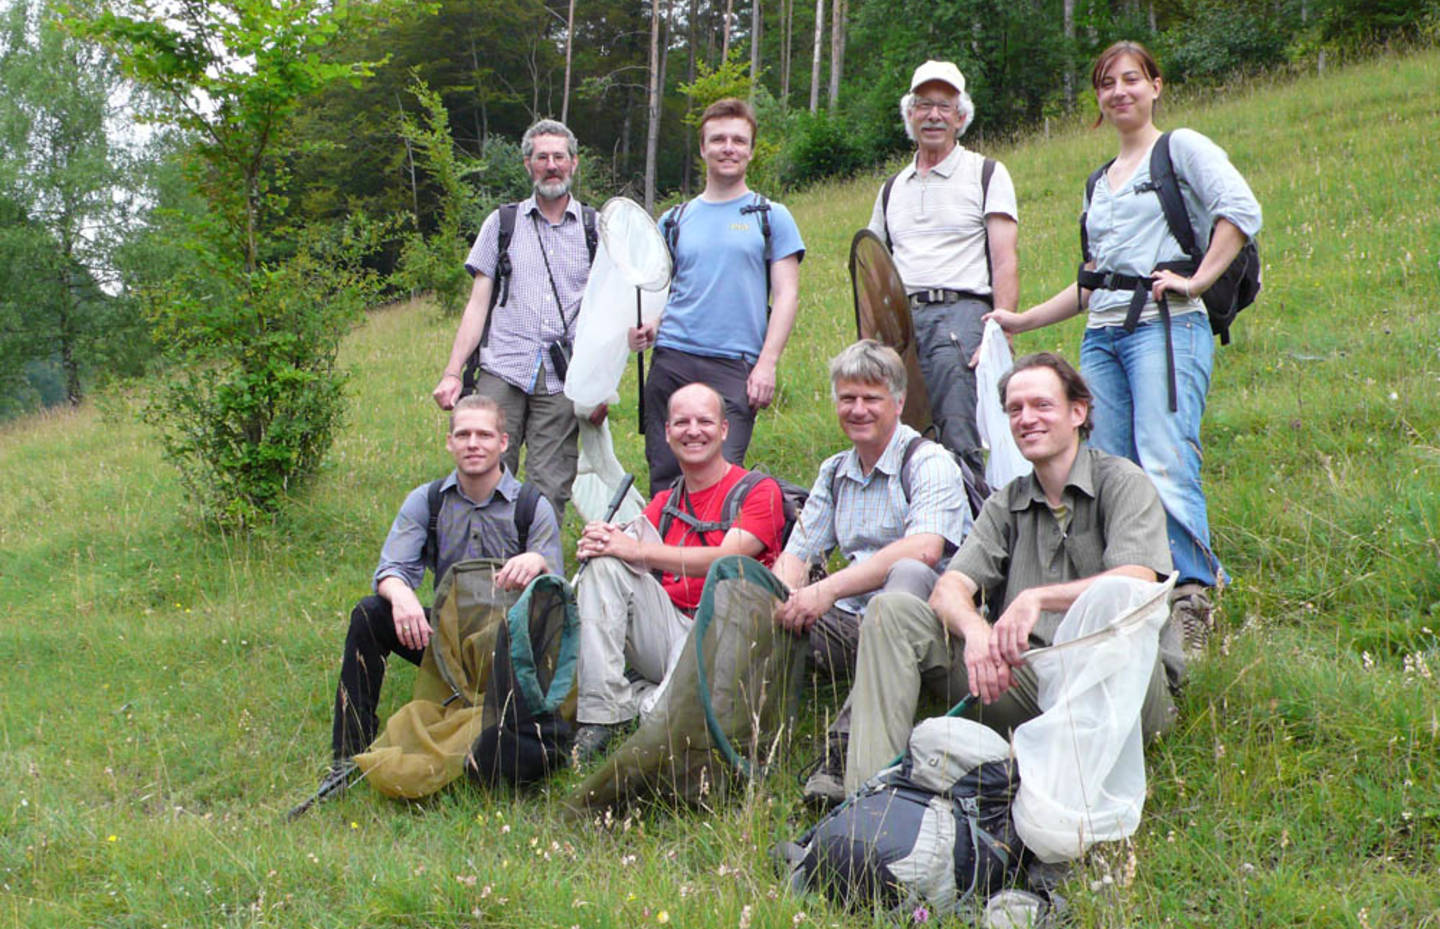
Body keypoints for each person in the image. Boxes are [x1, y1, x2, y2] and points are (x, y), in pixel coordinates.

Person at [986, 41, 1261, 650]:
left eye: (1131, 79)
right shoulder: (1098, 182)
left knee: (1164, 453)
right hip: (1103, 333)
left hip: (1167, 326)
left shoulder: (1180, 147)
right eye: (1107, 84)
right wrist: (1023, 320)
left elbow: (1241, 212)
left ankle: (1191, 592)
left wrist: (1195, 281)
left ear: (1156, 86)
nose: (1119, 92)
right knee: (1109, 461)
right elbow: (1093, 283)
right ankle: (1136, 586)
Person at [841, 353, 1180, 792]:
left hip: (1119, 682)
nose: (1026, 419)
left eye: (1042, 405)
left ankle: (1056, 788)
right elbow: (948, 588)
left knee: (1113, 624)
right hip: (1029, 679)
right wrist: (976, 632)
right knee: (893, 612)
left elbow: (1137, 581)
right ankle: (869, 804)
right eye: (1014, 409)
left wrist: (1036, 598)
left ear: (1078, 413)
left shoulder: (1122, 481)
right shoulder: (1007, 502)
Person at [319, 395, 563, 795]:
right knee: (369, 613)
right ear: (449, 442)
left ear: (504, 442)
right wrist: (401, 596)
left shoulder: (533, 506)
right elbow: (391, 569)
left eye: (483, 435)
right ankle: (347, 755)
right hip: (445, 642)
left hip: (511, 647)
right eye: (463, 434)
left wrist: (537, 561)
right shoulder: (427, 501)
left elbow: (557, 595)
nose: (473, 443)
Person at [770, 340, 970, 805]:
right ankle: (726, 747)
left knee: (905, 575)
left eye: (871, 398)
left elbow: (925, 550)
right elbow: (798, 554)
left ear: (898, 403)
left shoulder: (929, 461)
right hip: (851, 620)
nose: (858, 409)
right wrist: (780, 596)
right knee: (755, 599)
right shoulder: (834, 471)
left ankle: (841, 754)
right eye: (847, 398)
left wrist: (827, 590)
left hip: (925, 629)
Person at [570, 382, 787, 762]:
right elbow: (625, 544)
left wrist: (635, 549)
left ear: (723, 430)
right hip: (671, 627)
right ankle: (604, 715)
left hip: (728, 640)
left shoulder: (757, 490)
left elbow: (728, 559)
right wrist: (602, 541)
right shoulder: (665, 501)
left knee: (662, 722)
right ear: (667, 433)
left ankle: (643, 701)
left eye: (704, 421)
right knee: (604, 565)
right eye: (681, 422)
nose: (692, 431)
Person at [432, 118, 604, 521]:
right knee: (484, 471)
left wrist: (601, 387)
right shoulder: (501, 223)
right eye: (541, 157)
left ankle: (537, 573)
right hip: (502, 367)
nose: (551, 165)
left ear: (574, 163)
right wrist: (453, 372)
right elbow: (477, 304)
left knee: (550, 484)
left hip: (566, 377)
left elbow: (611, 313)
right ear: (527, 165)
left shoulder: (596, 229)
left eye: (559, 157)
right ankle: (481, 567)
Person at [629, 98, 805, 490]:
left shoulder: (770, 216)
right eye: (719, 139)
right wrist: (648, 327)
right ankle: (666, 549)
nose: (729, 148)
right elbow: (659, 293)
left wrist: (767, 364)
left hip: (734, 365)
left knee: (719, 480)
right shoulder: (674, 220)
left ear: (751, 150)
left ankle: (713, 552)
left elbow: (788, 295)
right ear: (703, 148)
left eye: (739, 141)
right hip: (672, 358)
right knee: (665, 473)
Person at [868, 60, 1019, 479]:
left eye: (944, 106)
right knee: (901, 435)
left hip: (961, 316)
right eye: (923, 105)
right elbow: (875, 268)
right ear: (910, 114)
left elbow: (1005, 258)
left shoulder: (985, 173)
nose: (933, 115)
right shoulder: (891, 188)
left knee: (957, 432)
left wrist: (999, 333)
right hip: (901, 325)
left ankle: (972, 534)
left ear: (961, 117)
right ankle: (917, 534)